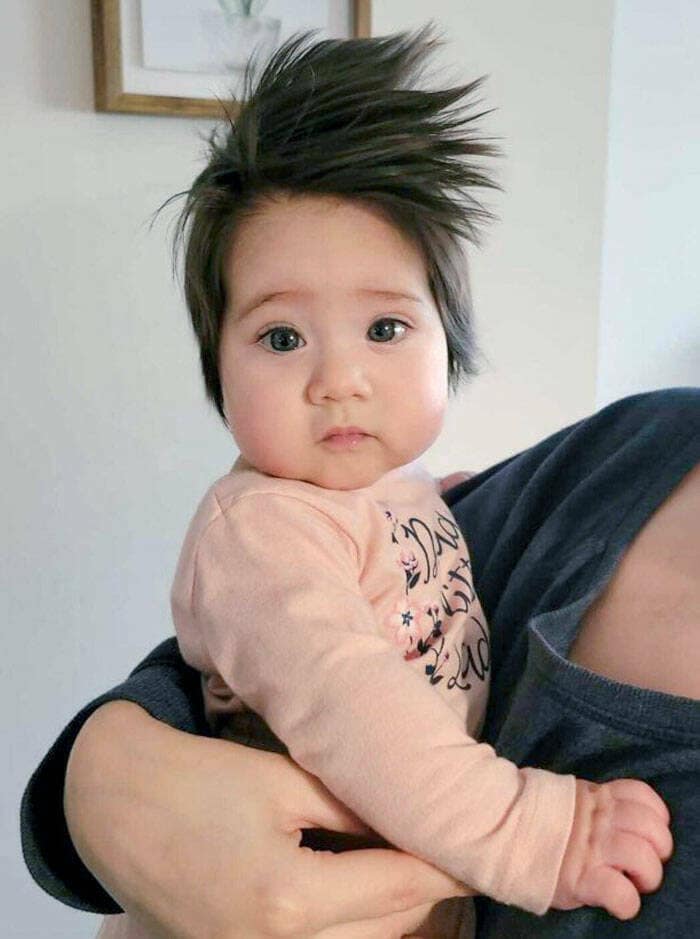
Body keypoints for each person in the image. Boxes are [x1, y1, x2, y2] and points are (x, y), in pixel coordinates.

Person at [21, 24, 700, 939]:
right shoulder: (261, 532)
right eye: (282, 337)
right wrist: (539, 834)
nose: (338, 378)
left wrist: (445, 508)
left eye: (384, 330)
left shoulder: (402, 493)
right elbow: (354, 704)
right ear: (217, 369)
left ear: (448, 343)